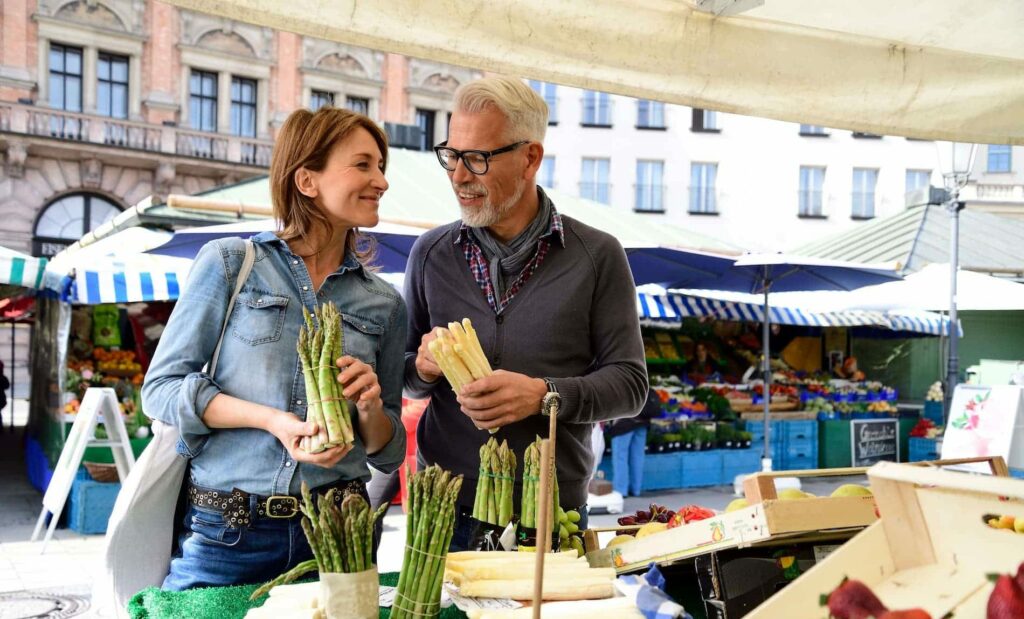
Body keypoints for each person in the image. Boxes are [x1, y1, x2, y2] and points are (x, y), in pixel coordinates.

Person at [142, 106, 407, 591]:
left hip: (339, 528)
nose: (382, 181)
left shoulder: (384, 301)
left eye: (381, 167)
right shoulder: (231, 264)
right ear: (307, 180)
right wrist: (273, 421)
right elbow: (160, 390)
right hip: (228, 531)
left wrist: (369, 407)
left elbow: (387, 453)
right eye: (364, 165)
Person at [403, 76, 648, 547]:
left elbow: (631, 385)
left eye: (477, 158)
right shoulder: (430, 252)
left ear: (530, 158)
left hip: (550, 505)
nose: (458, 176)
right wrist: (422, 365)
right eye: (451, 156)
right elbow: (405, 379)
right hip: (445, 505)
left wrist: (544, 395)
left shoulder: (597, 255)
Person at [606, 388, 660, 497]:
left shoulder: (620, 382)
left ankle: (620, 490)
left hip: (624, 424)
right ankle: (636, 489)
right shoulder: (642, 381)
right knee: (638, 457)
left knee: (620, 457)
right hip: (642, 423)